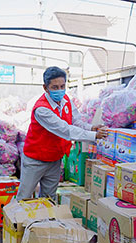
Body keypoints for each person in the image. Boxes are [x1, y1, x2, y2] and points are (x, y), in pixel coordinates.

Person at [16, 66, 108, 201]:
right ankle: (17, 221)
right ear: (45, 88)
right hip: (35, 160)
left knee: (49, 198)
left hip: (54, 158)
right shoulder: (41, 109)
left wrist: (91, 127)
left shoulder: (66, 100)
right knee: (24, 197)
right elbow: (65, 129)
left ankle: (45, 222)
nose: (59, 90)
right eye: (55, 87)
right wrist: (93, 136)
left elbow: (76, 121)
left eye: (62, 86)